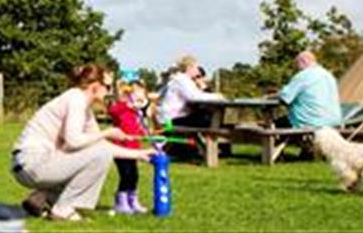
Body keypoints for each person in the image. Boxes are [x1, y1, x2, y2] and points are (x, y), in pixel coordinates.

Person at [12, 65, 156, 222]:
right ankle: (63, 209)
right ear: (95, 86)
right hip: (33, 163)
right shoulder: (76, 99)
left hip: (31, 163)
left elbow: (100, 145)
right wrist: (107, 132)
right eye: (107, 87)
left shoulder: (83, 105)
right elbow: (73, 141)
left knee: (97, 153)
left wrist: (139, 154)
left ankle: (43, 198)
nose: (109, 92)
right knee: (99, 157)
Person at [105, 82, 152, 215]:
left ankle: (132, 201)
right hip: (120, 148)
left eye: (142, 98)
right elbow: (113, 111)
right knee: (125, 175)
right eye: (137, 98)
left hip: (133, 150)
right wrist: (127, 105)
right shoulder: (121, 108)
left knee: (134, 176)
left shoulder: (136, 112)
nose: (140, 101)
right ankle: (121, 202)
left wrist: (144, 132)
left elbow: (138, 128)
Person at [156, 55, 223, 129]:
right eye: (196, 67)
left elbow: (197, 95)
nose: (197, 70)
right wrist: (216, 96)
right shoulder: (181, 80)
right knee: (207, 119)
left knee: (207, 117)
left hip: (174, 118)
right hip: (171, 120)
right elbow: (194, 97)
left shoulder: (183, 79)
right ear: (189, 68)